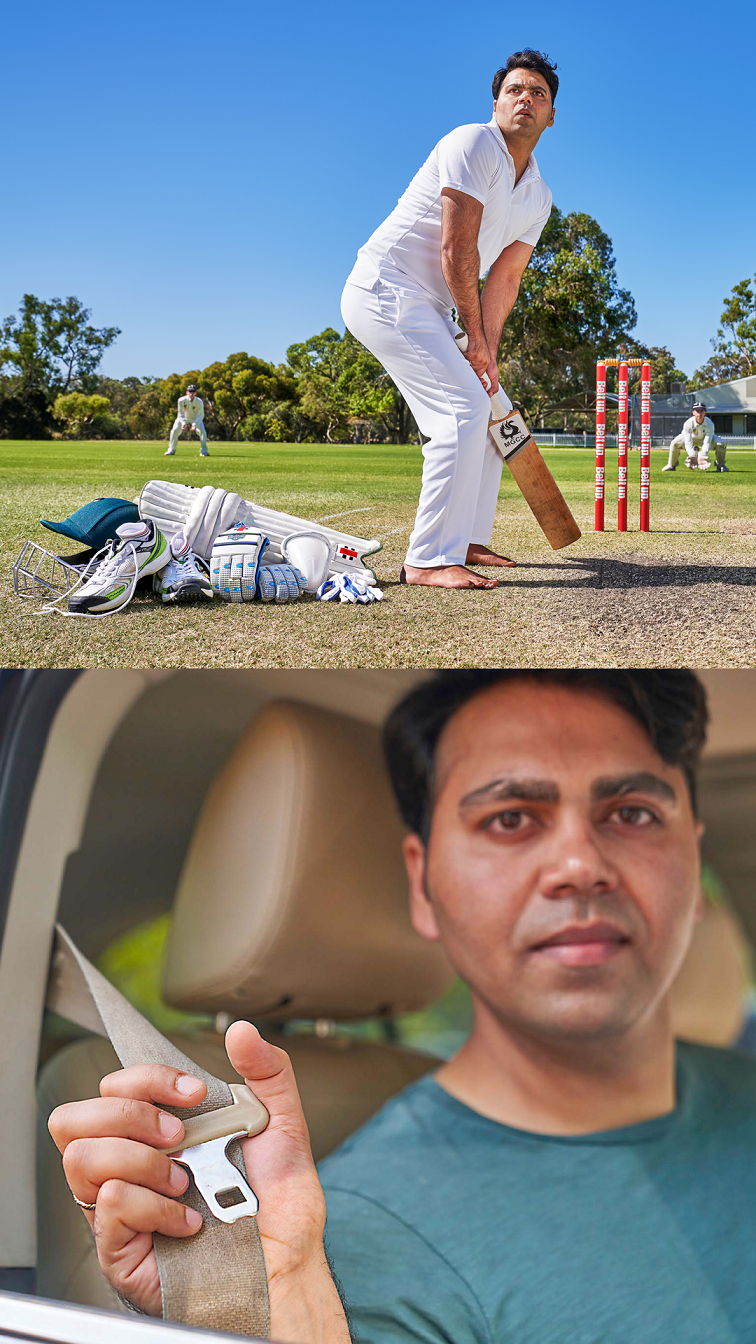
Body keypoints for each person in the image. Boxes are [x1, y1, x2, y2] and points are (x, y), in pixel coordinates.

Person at [49, 670, 756, 1344]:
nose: (580, 865)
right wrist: (270, 1302)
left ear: (693, 862)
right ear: (422, 884)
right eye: (511, 818)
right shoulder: (340, 1248)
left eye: (632, 813)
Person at [341, 52, 556, 591]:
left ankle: (465, 540)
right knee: (460, 409)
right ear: (496, 102)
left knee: (483, 400)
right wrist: (473, 339)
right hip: (386, 288)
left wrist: (488, 354)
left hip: (433, 306)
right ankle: (428, 559)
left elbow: (502, 282)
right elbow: (456, 249)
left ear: (552, 115)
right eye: (514, 90)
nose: (524, 98)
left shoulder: (538, 195)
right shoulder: (472, 143)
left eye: (537, 93)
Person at [662, 401, 728, 473]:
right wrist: (692, 454)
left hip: (703, 439)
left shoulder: (710, 424)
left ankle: (721, 465)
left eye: (701, 411)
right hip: (691, 439)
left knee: (721, 444)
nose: (699, 414)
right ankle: (671, 465)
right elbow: (688, 442)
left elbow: (707, 443)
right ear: (693, 412)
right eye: (697, 411)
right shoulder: (688, 423)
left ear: (705, 412)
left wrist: (702, 454)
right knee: (675, 443)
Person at [165, 384, 209, 457]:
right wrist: (183, 423)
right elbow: (180, 413)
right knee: (174, 430)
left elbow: (201, 415)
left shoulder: (199, 402)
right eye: (190, 391)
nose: (191, 393)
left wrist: (195, 424)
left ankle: (204, 451)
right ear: (187, 392)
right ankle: (171, 450)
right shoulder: (181, 400)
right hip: (183, 418)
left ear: (196, 393)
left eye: (193, 391)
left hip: (195, 419)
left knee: (202, 431)